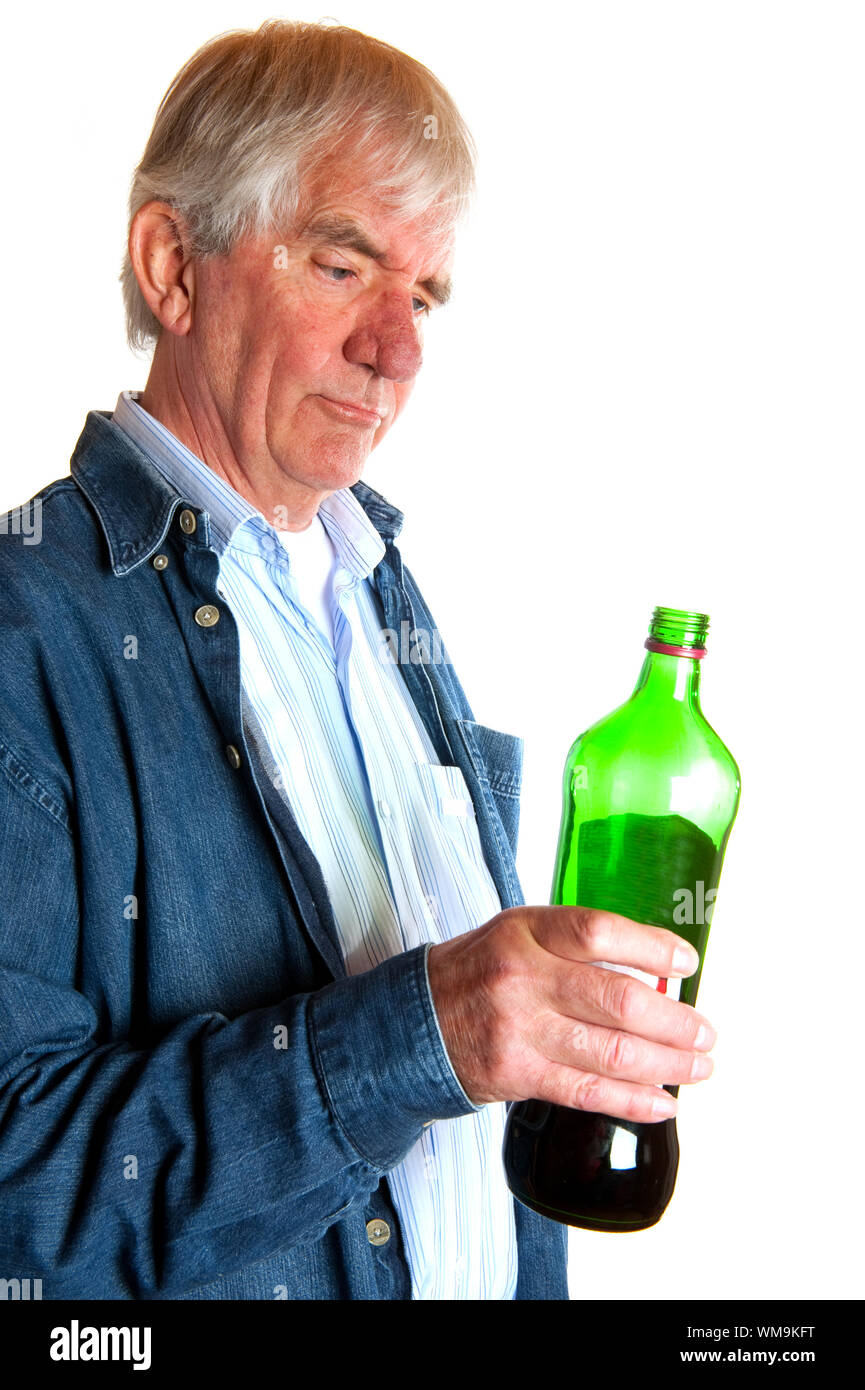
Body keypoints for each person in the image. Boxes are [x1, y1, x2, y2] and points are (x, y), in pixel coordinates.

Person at [0, 19, 715, 1301]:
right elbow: (19, 1197)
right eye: (342, 265)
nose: (400, 349)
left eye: (425, 296)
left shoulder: (381, 594)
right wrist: (420, 1033)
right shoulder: (21, 630)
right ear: (173, 264)